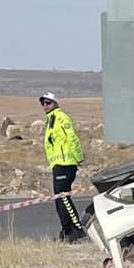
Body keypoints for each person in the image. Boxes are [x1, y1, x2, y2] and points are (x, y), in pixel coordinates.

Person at [40, 93, 85, 242]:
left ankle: (76, 230)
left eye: (48, 102)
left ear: (55, 103)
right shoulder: (50, 119)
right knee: (59, 200)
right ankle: (66, 231)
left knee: (63, 198)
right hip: (58, 165)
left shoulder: (61, 118)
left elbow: (72, 138)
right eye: (43, 103)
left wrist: (79, 158)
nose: (45, 105)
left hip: (66, 164)